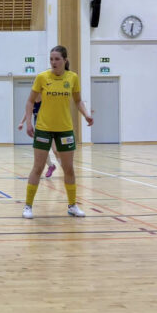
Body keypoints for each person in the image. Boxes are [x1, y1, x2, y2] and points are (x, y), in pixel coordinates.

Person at [23, 45, 93, 219]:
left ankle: (72, 206)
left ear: (65, 60)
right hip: (44, 129)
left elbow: (78, 101)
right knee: (38, 168)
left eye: (57, 59)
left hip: (65, 130)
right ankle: (28, 206)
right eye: (51, 59)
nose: (53, 62)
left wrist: (86, 115)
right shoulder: (42, 77)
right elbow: (30, 101)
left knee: (68, 169)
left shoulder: (73, 78)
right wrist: (29, 123)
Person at [18, 100, 59, 178]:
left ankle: (64, 167)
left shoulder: (46, 100)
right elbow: (27, 112)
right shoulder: (32, 102)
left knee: (55, 150)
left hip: (51, 128)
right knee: (44, 152)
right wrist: (21, 122)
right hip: (40, 131)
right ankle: (51, 166)